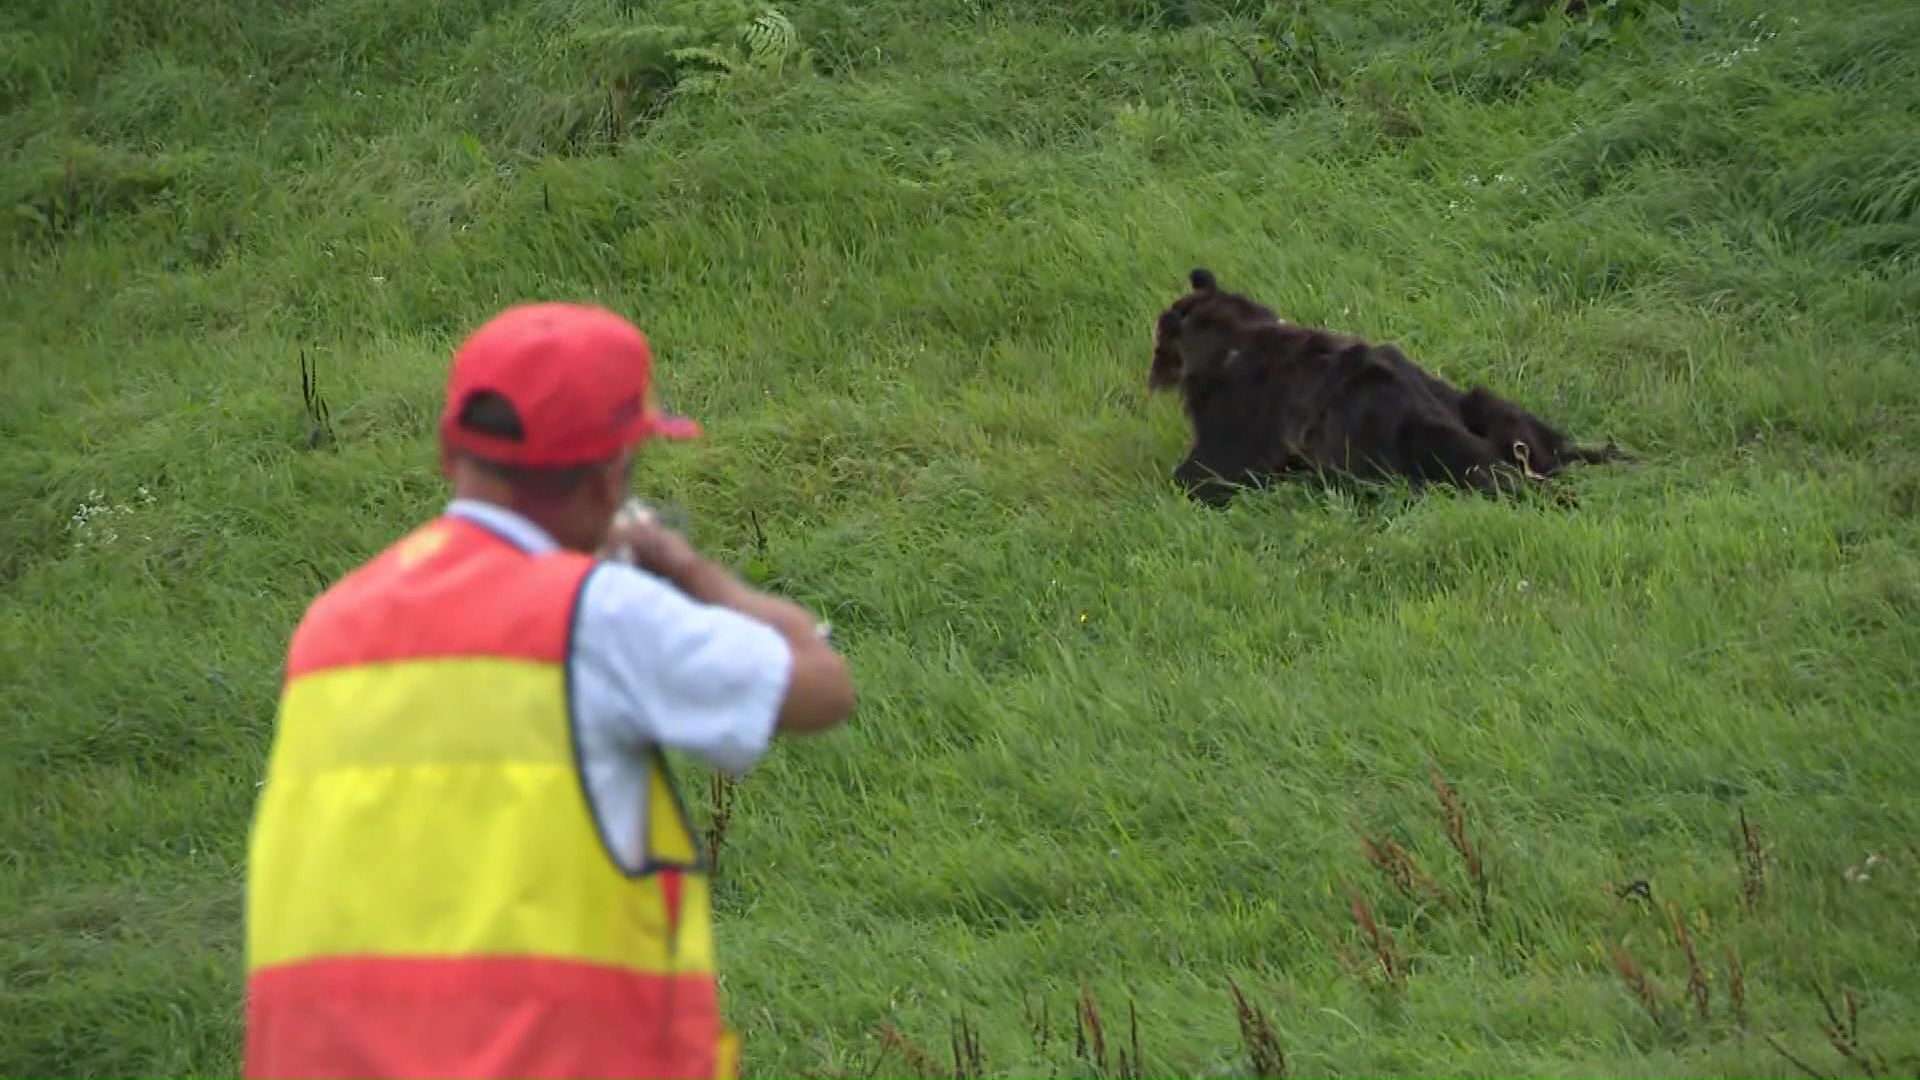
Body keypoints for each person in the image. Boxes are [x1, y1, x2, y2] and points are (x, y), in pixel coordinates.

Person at [243, 301, 857, 1080]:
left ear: (446, 451)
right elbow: (821, 685)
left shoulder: (329, 628)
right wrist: (685, 570)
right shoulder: (596, 616)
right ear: (611, 477)